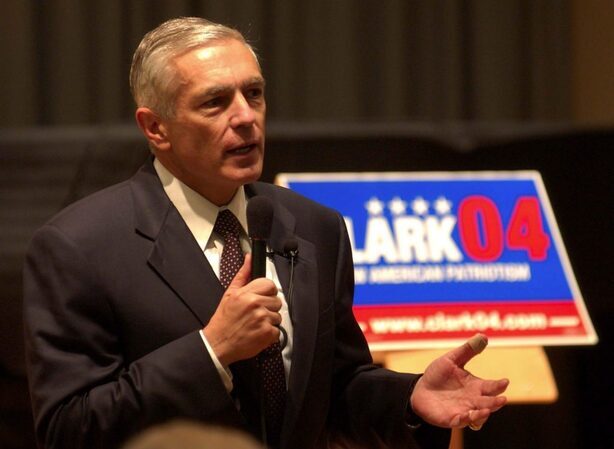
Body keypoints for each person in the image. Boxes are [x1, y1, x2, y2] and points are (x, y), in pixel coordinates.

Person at [23, 17, 508, 449]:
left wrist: (408, 397)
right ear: (156, 129)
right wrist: (211, 350)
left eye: (253, 94)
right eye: (215, 102)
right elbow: (70, 428)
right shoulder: (79, 247)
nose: (246, 117)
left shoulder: (316, 226)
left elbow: (334, 388)